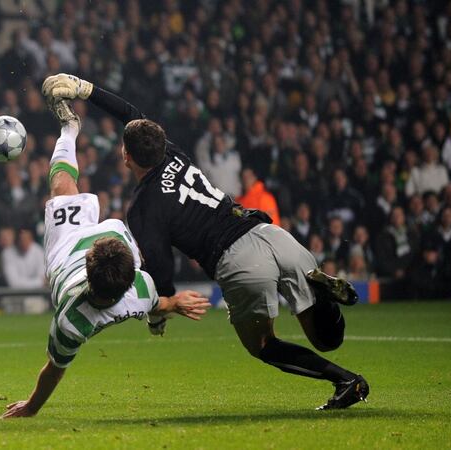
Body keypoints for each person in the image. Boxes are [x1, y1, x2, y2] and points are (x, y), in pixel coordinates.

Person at [42, 73, 369, 410]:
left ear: (126, 157)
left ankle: (346, 381)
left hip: (239, 260)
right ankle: (323, 295)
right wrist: (86, 89)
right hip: (269, 234)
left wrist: (157, 316)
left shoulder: (142, 208)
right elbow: (132, 115)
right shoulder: (172, 154)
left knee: (263, 345)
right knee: (327, 339)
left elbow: (161, 269)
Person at [1, 100, 211, 419]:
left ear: (89, 267)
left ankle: (69, 129)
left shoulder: (71, 322)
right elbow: (157, 304)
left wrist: (31, 408)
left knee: (62, 187)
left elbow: (54, 370)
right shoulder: (141, 288)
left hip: (66, 251)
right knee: (68, 192)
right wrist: (172, 306)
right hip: (114, 238)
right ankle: (71, 130)